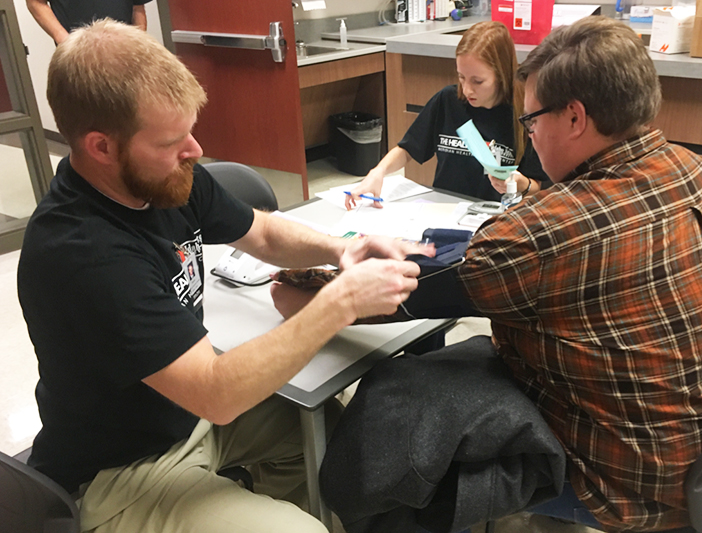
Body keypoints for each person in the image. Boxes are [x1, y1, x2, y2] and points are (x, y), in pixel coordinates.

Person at [275, 16, 702, 532]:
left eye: (530, 122)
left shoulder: (543, 235)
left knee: (393, 411)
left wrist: (313, 295)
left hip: (626, 480)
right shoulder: (689, 169)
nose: (529, 133)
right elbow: (567, 233)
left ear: (574, 117)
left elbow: (406, 293)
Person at [17, 20, 431, 533]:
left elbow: (261, 233)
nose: (194, 149)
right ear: (101, 147)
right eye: (172, 140)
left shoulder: (165, 177)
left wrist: (343, 247)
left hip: (187, 417)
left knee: (337, 437)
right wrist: (339, 301)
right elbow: (215, 392)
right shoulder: (81, 254)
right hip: (122, 469)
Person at [345, 20, 548, 210]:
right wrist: (377, 173)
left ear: (502, 75)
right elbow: (408, 149)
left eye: (477, 81)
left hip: (492, 217)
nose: (467, 90)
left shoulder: (525, 114)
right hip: (444, 210)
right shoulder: (448, 101)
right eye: (461, 77)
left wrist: (521, 184)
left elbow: (538, 187)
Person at [26, 0, 150, 44]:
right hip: (78, 55)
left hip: (125, 50)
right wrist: (64, 40)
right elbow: (35, 2)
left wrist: (138, 44)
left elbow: (137, 8)